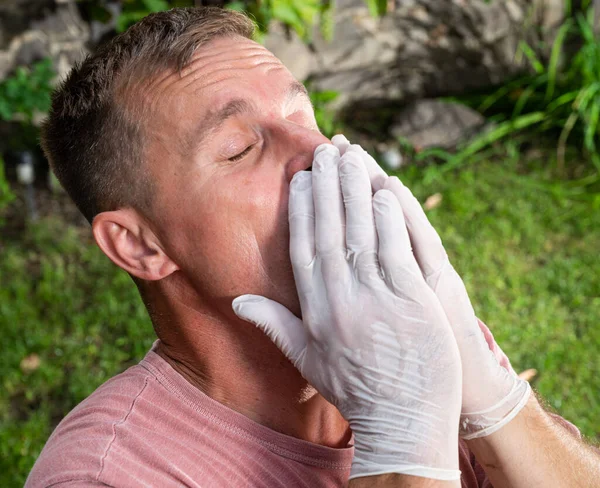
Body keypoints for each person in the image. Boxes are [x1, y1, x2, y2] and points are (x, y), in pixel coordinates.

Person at [26, 6, 599, 488]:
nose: (321, 150)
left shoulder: (404, 330)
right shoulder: (109, 473)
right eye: (240, 148)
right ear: (139, 244)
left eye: (303, 115)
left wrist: (496, 404)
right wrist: (401, 443)